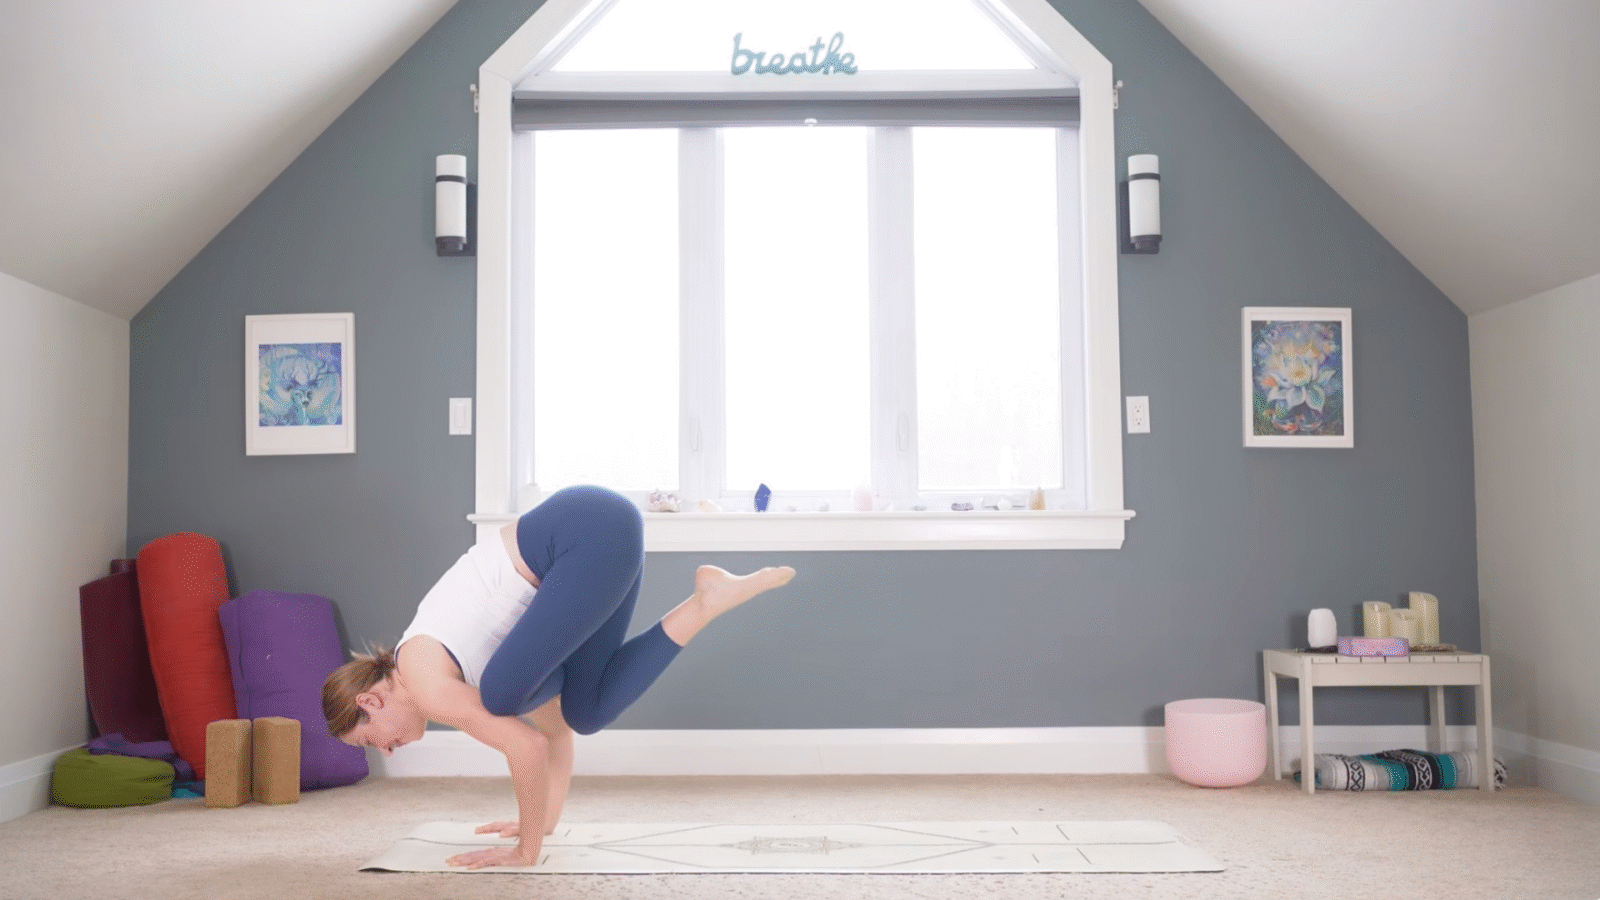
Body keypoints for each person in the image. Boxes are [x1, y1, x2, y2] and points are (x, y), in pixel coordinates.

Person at [321, 484, 795, 869]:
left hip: (585, 530)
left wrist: (526, 852)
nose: (385, 751)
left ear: (371, 702)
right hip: (603, 538)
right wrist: (544, 821)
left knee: (501, 697)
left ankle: (707, 601)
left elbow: (525, 745)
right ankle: (706, 601)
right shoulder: (455, 668)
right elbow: (554, 731)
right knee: (583, 711)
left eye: (371, 742)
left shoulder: (424, 680)